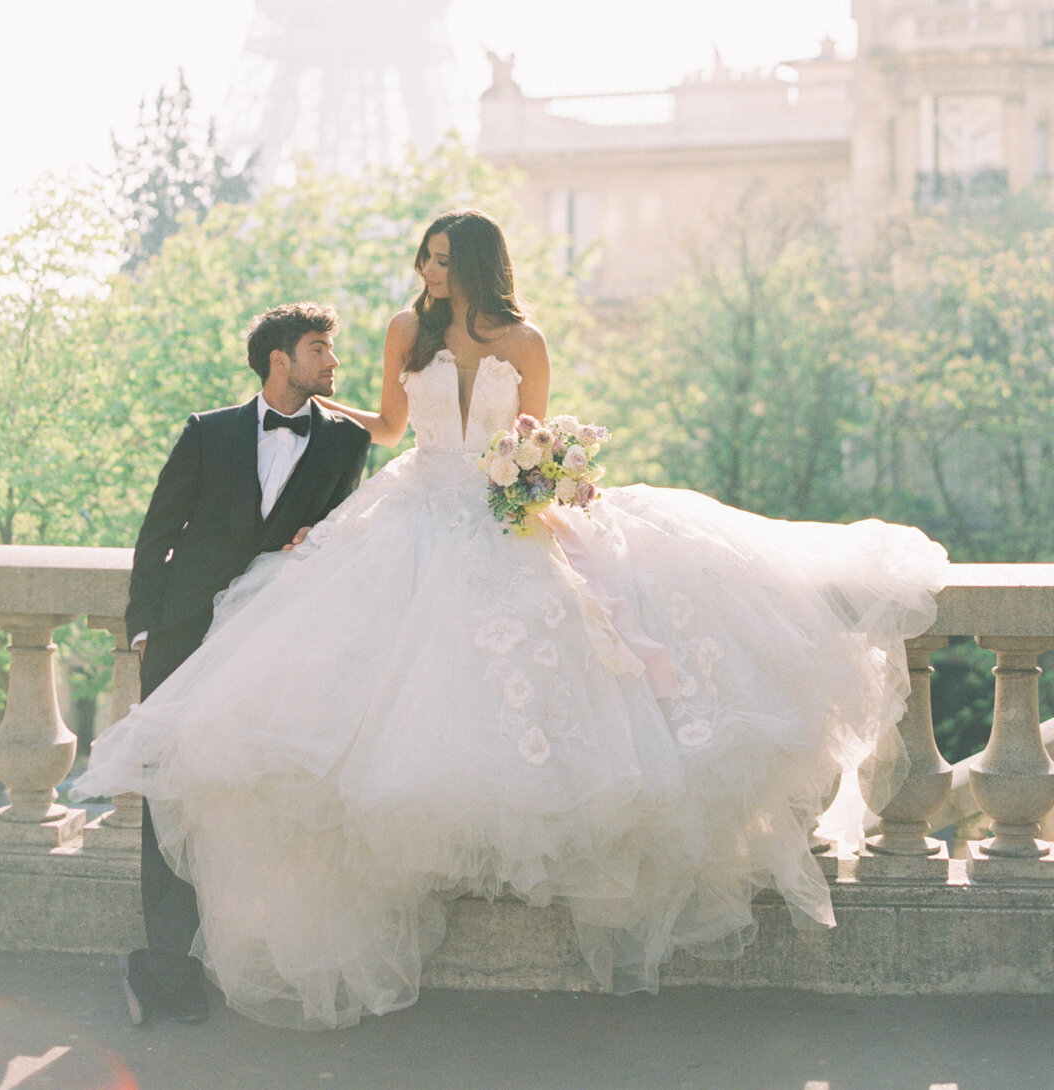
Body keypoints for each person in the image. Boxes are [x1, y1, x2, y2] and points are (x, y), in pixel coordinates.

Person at [77, 210, 947, 1031]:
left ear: (478, 266)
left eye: (441, 257)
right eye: (424, 256)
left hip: (493, 513)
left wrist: (545, 473)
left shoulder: (526, 341)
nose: (426, 270)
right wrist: (297, 412)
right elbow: (386, 426)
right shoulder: (402, 331)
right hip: (414, 508)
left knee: (534, 684)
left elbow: (527, 438)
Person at [114, 302, 370, 1024]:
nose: (333, 362)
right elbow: (159, 528)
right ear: (278, 359)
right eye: (321, 348)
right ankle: (165, 965)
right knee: (168, 789)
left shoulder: (345, 442)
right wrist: (142, 624)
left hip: (269, 639)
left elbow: (335, 532)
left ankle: (238, 952)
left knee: (246, 794)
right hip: (184, 632)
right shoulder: (208, 431)